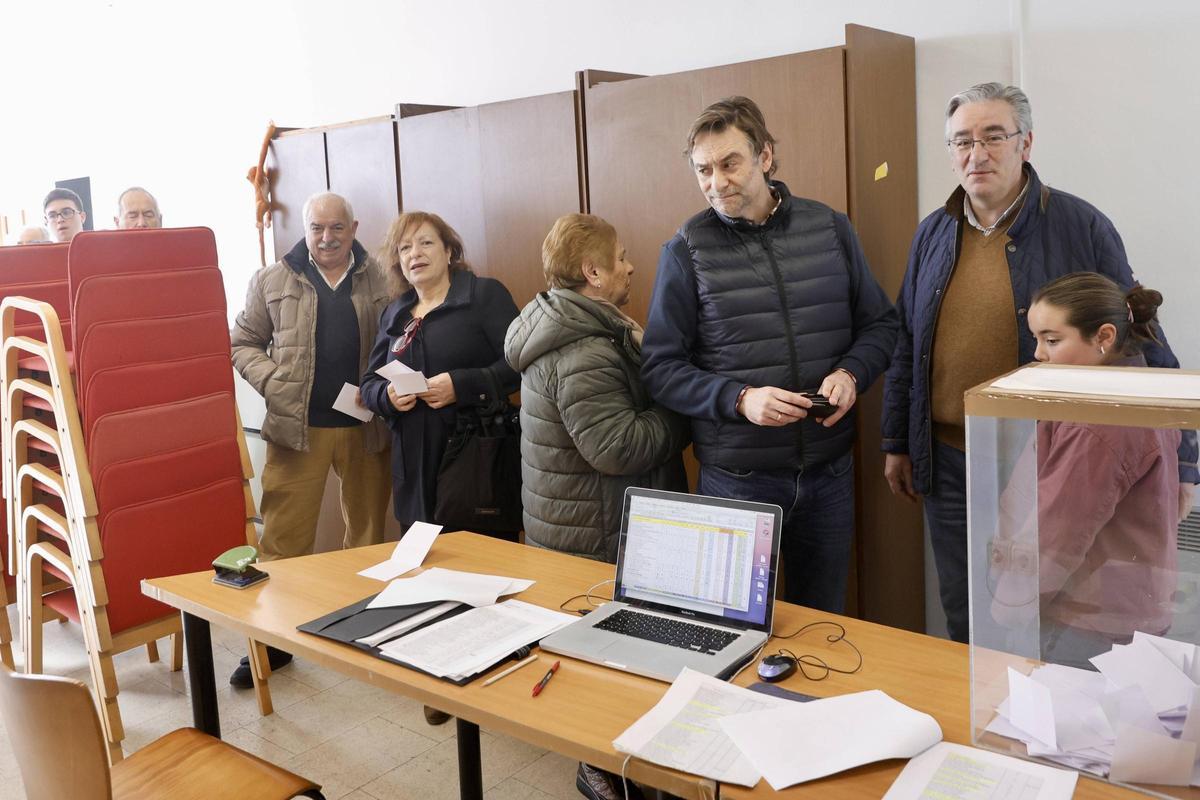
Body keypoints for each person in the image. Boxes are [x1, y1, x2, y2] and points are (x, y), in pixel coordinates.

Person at [881, 82, 1197, 643]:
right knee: (969, 612)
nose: (976, 153)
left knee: (1039, 618)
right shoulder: (933, 232)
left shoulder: (1080, 224)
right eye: (961, 141)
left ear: (1025, 143)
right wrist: (898, 441)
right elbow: (908, 341)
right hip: (951, 459)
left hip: (1049, 460)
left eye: (992, 137)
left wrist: (1188, 463)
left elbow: (1139, 331)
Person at [641, 96, 898, 613]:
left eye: (730, 163)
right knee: (730, 629)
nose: (717, 182)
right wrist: (739, 399)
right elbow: (660, 368)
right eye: (703, 170)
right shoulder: (686, 249)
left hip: (829, 473)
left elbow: (881, 325)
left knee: (821, 624)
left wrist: (852, 372)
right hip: (736, 481)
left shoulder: (830, 228)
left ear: (765, 156)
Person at [230, 191, 392, 686]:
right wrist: (275, 383)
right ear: (306, 229)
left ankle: (358, 632)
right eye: (317, 228)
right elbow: (242, 341)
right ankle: (273, 644)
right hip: (296, 431)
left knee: (367, 538)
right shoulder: (272, 278)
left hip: (368, 429)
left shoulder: (383, 276)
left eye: (336, 227)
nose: (326, 237)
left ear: (354, 227)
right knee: (282, 542)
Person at [988, 273, 1182, 668]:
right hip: (1123, 606)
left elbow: (1060, 528)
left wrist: (1009, 606)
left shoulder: (1097, 423)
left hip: (1088, 619)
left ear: (1104, 337)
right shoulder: (1133, 386)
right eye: (1036, 338)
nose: (1039, 353)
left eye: (1052, 340)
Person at [505, 213, 688, 561]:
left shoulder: (572, 328)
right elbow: (619, 448)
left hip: (580, 535)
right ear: (593, 273)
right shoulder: (583, 352)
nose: (630, 267)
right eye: (620, 258)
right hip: (597, 548)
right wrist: (683, 406)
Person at [361, 211, 519, 536]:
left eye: (425, 243)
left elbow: (520, 364)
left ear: (449, 252)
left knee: (483, 576)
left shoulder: (484, 296)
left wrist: (460, 385)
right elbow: (370, 383)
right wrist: (388, 396)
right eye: (405, 248)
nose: (414, 253)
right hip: (414, 476)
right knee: (423, 578)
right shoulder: (395, 312)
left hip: (476, 467)